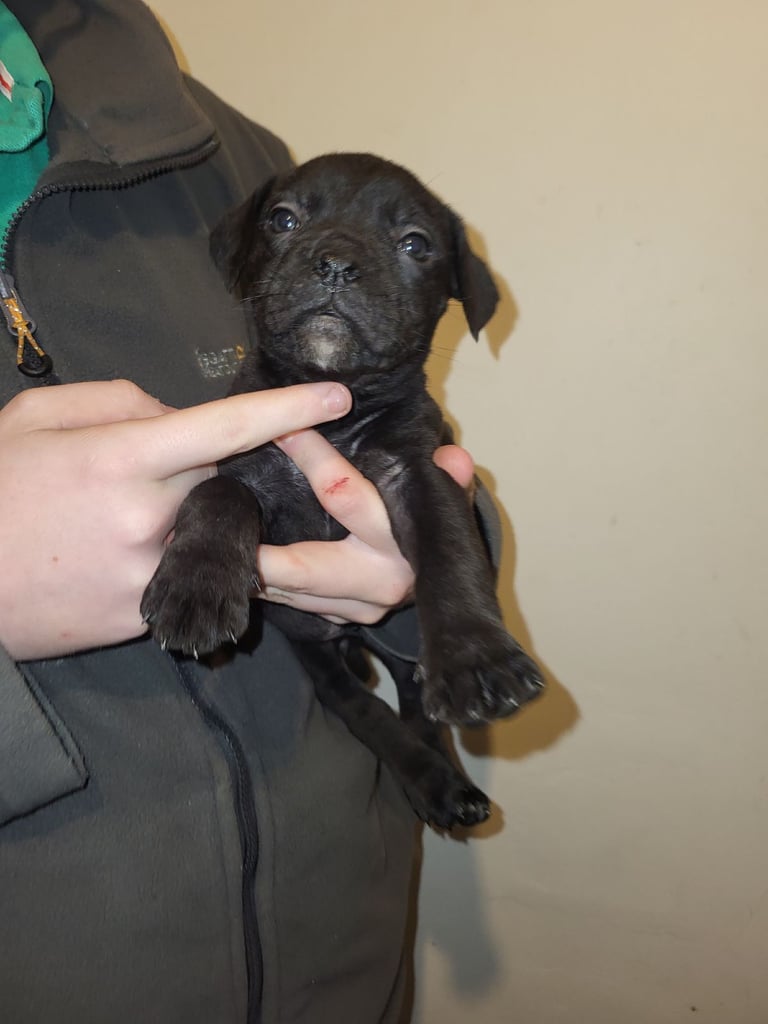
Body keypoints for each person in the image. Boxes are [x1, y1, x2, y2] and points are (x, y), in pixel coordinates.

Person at [0, 2, 500, 1022]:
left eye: (395, 246)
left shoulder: (224, 144)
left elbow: (415, 497)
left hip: (342, 945)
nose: (331, 259)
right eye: (289, 234)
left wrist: (429, 588)